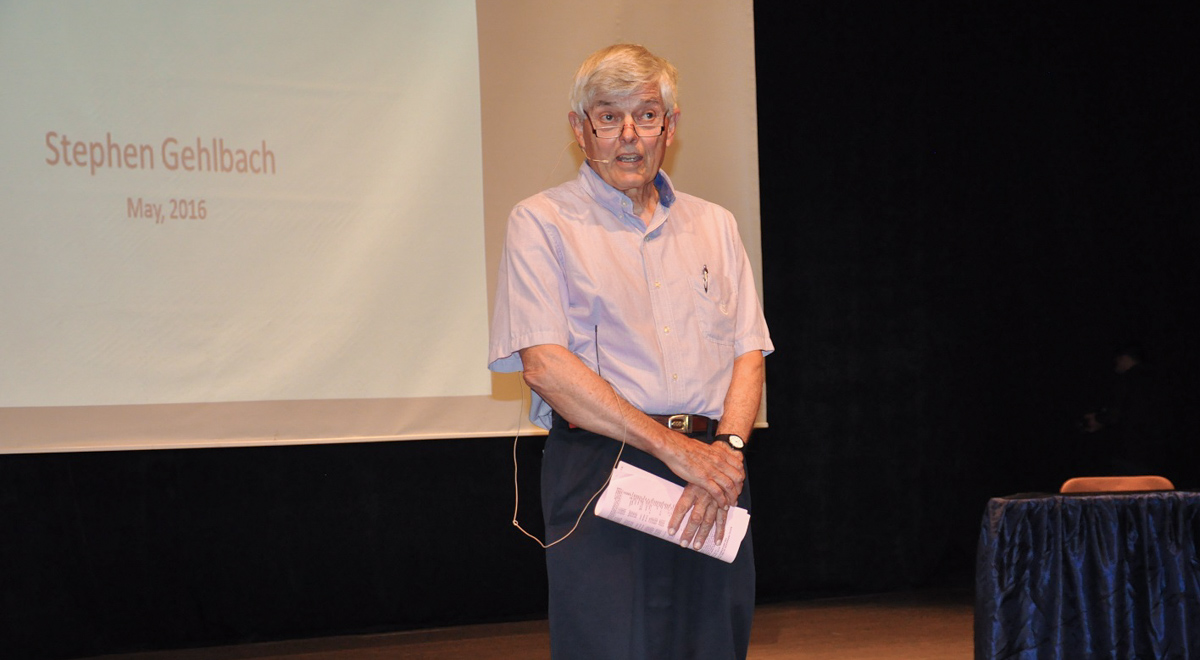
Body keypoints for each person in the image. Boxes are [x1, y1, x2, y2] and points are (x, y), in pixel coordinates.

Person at [488, 44, 773, 659]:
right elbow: (545, 366)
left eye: (645, 116)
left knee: (713, 646)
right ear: (579, 128)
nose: (628, 136)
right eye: (608, 117)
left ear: (670, 126)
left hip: (715, 471)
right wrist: (673, 450)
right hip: (604, 467)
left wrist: (725, 452)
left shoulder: (716, 225)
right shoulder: (541, 222)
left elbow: (749, 353)